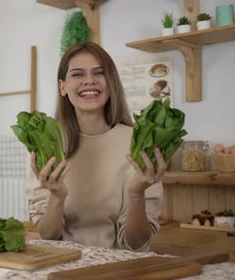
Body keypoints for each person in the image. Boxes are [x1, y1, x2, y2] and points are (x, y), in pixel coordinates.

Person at [25, 41, 166, 252]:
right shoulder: (46, 144)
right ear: (62, 87)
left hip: (120, 271)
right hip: (63, 266)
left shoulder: (138, 143)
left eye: (99, 73)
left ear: (111, 83)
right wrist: (57, 196)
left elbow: (137, 243)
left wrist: (136, 195)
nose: (89, 81)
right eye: (78, 74)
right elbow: (48, 235)